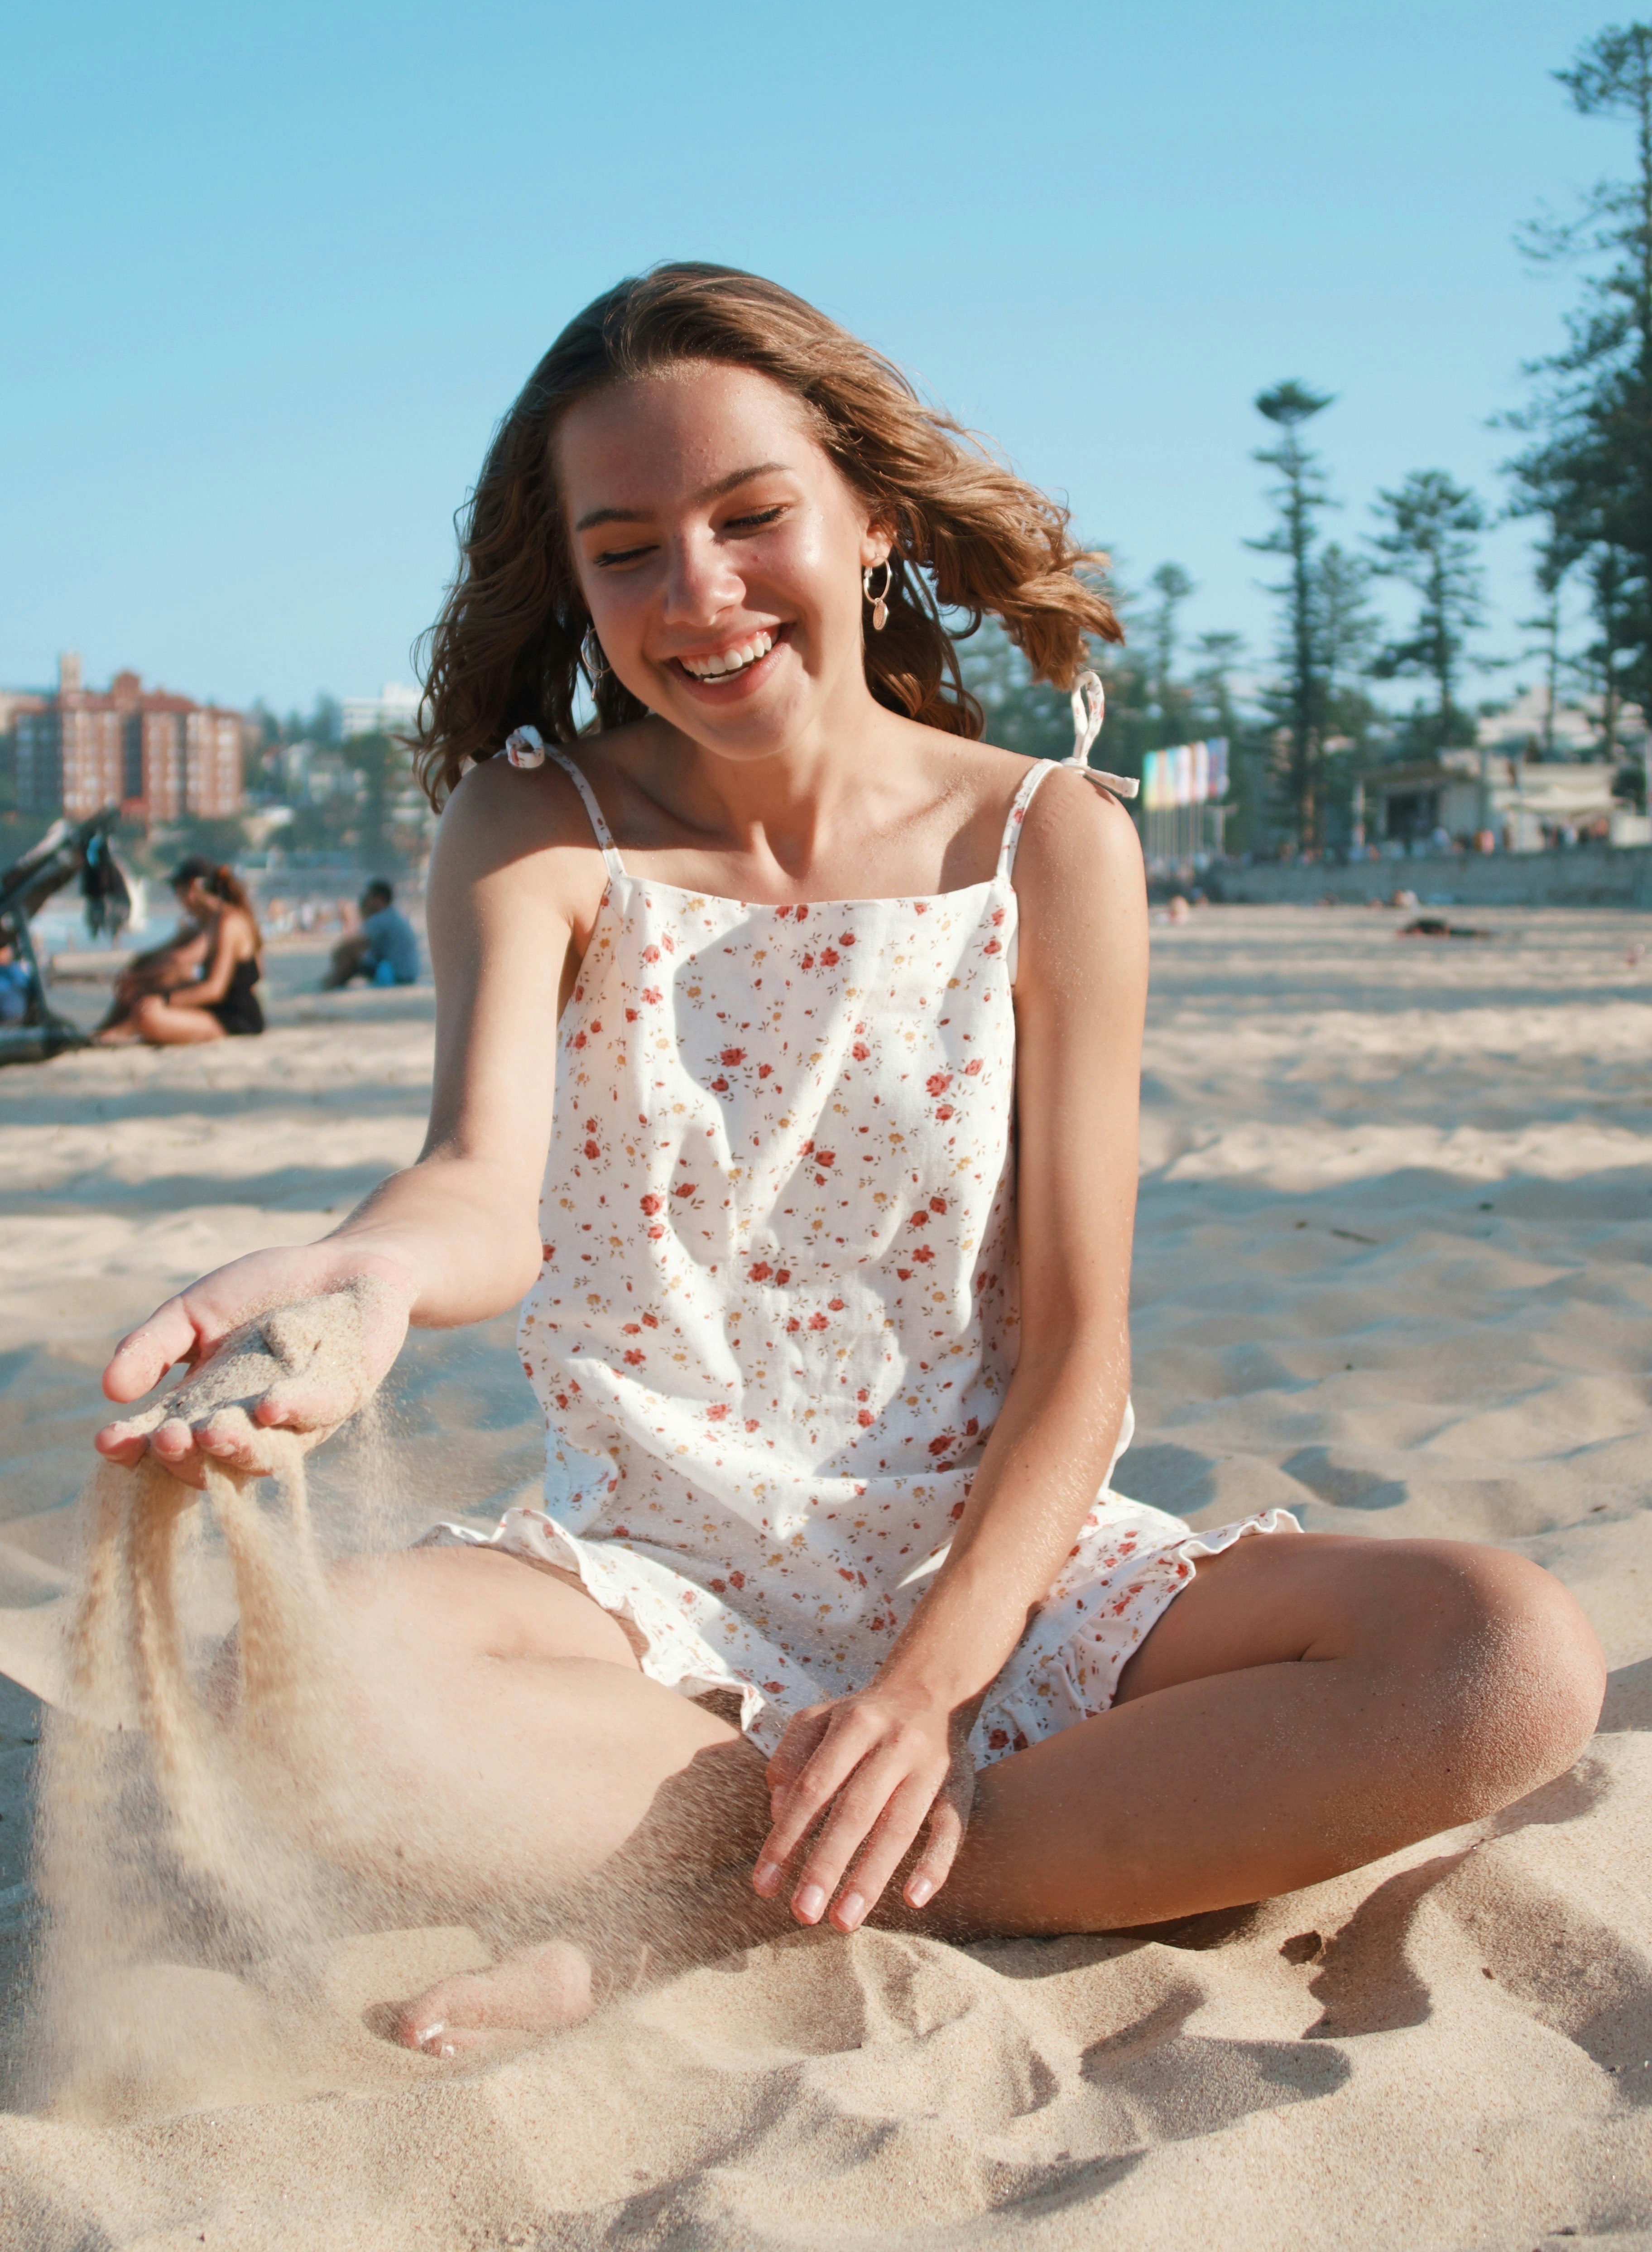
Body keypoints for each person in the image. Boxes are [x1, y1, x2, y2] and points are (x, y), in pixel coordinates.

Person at [95, 264, 1604, 2057]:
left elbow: (1077, 1345)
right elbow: (481, 1185)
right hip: (638, 1595)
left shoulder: (1051, 841)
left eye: (751, 518)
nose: (701, 595)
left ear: (873, 516)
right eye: (627, 547)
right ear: (570, 581)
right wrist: (361, 1282)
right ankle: (851, 1856)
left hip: (1007, 1574)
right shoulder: (536, 826)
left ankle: (715, 1894)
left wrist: (925, 1688)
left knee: (1505, 1655)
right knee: (275, 1692)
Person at [95, 859, 264, 1045]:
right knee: (140, 992)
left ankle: (121, 1031)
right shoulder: (204, 922)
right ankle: (105, 1030)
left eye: (177, 890)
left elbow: (215, 989)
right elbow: (161, 957)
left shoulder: (229, 922)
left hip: (233, 1019)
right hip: (212, 1009)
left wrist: (164, 999)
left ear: (192, 887)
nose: (177, 898)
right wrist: (136, 977)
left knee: (149, 1015)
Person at [322, 880, 421, 989]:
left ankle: (331, 984)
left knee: (350, 954)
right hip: (407, 974)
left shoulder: (381, 918)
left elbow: (351, 946)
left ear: (378, 899)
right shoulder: (393, 915)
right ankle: (332, 983)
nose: (365, 901)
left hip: (397, 974)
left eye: (369, 897)